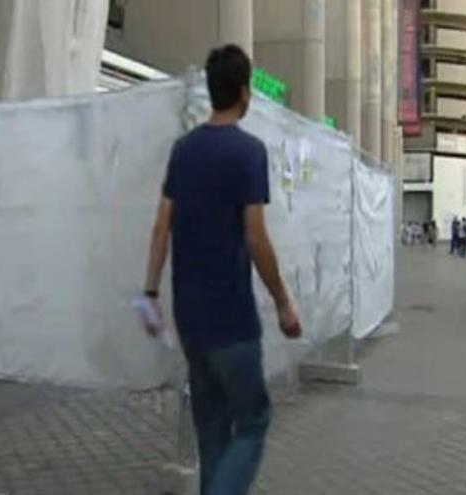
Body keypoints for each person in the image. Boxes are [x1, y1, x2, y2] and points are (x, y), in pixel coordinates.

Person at [142, 44, 302, 495]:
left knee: (212, 435)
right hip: (232, 319)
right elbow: (255, 237)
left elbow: (160, 228)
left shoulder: (183, 150)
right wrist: (285, 304)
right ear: (244, 91)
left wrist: (149, 294)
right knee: (252, 422)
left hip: (190, 320)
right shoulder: (248, 152)